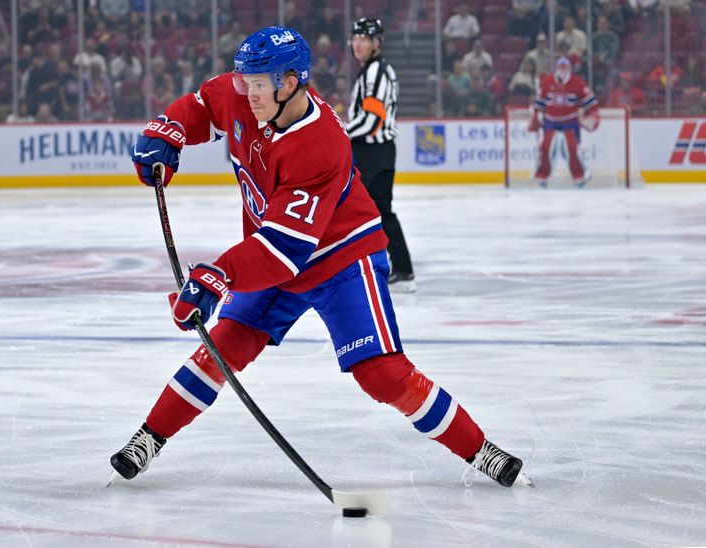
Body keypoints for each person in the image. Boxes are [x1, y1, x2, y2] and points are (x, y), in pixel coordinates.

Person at [111, 25, 530, 491]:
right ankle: (148, 438)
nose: (245, 93)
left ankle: (480, 450)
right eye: (243, 81)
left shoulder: (321, 144)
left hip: (340, 258)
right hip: (270, 250)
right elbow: (201, 108)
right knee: (221, 346)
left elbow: (285, 253)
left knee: (382, 375)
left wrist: (219, 276)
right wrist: (167, 131)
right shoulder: (244, 95)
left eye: (257, 84)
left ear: (289, 83)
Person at [346, 18, 415, 292]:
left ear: (377, 43)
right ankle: (394, 267)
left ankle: (401, 269)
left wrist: (342, 133)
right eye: (355, 38)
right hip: (372, 151)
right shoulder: (370, 71)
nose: (358, 43)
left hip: (373, 152)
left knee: (375, 211)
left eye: (364, 38)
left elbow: (373, 119)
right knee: (373, 211)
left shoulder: (376, 72)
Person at [529, 56, 600, 187]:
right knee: (546, 148)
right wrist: (535, 118)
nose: (562, 69)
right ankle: (542, 175)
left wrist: (593, 114)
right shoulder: (547, 81)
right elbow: (539, 103)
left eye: (565, 67)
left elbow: (591, 101)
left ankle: (580, 176)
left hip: (570, 121)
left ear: (569, 68)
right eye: (560, 67)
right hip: (550, 121)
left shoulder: (578, 82)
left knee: (572, 149)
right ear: (556, 68)